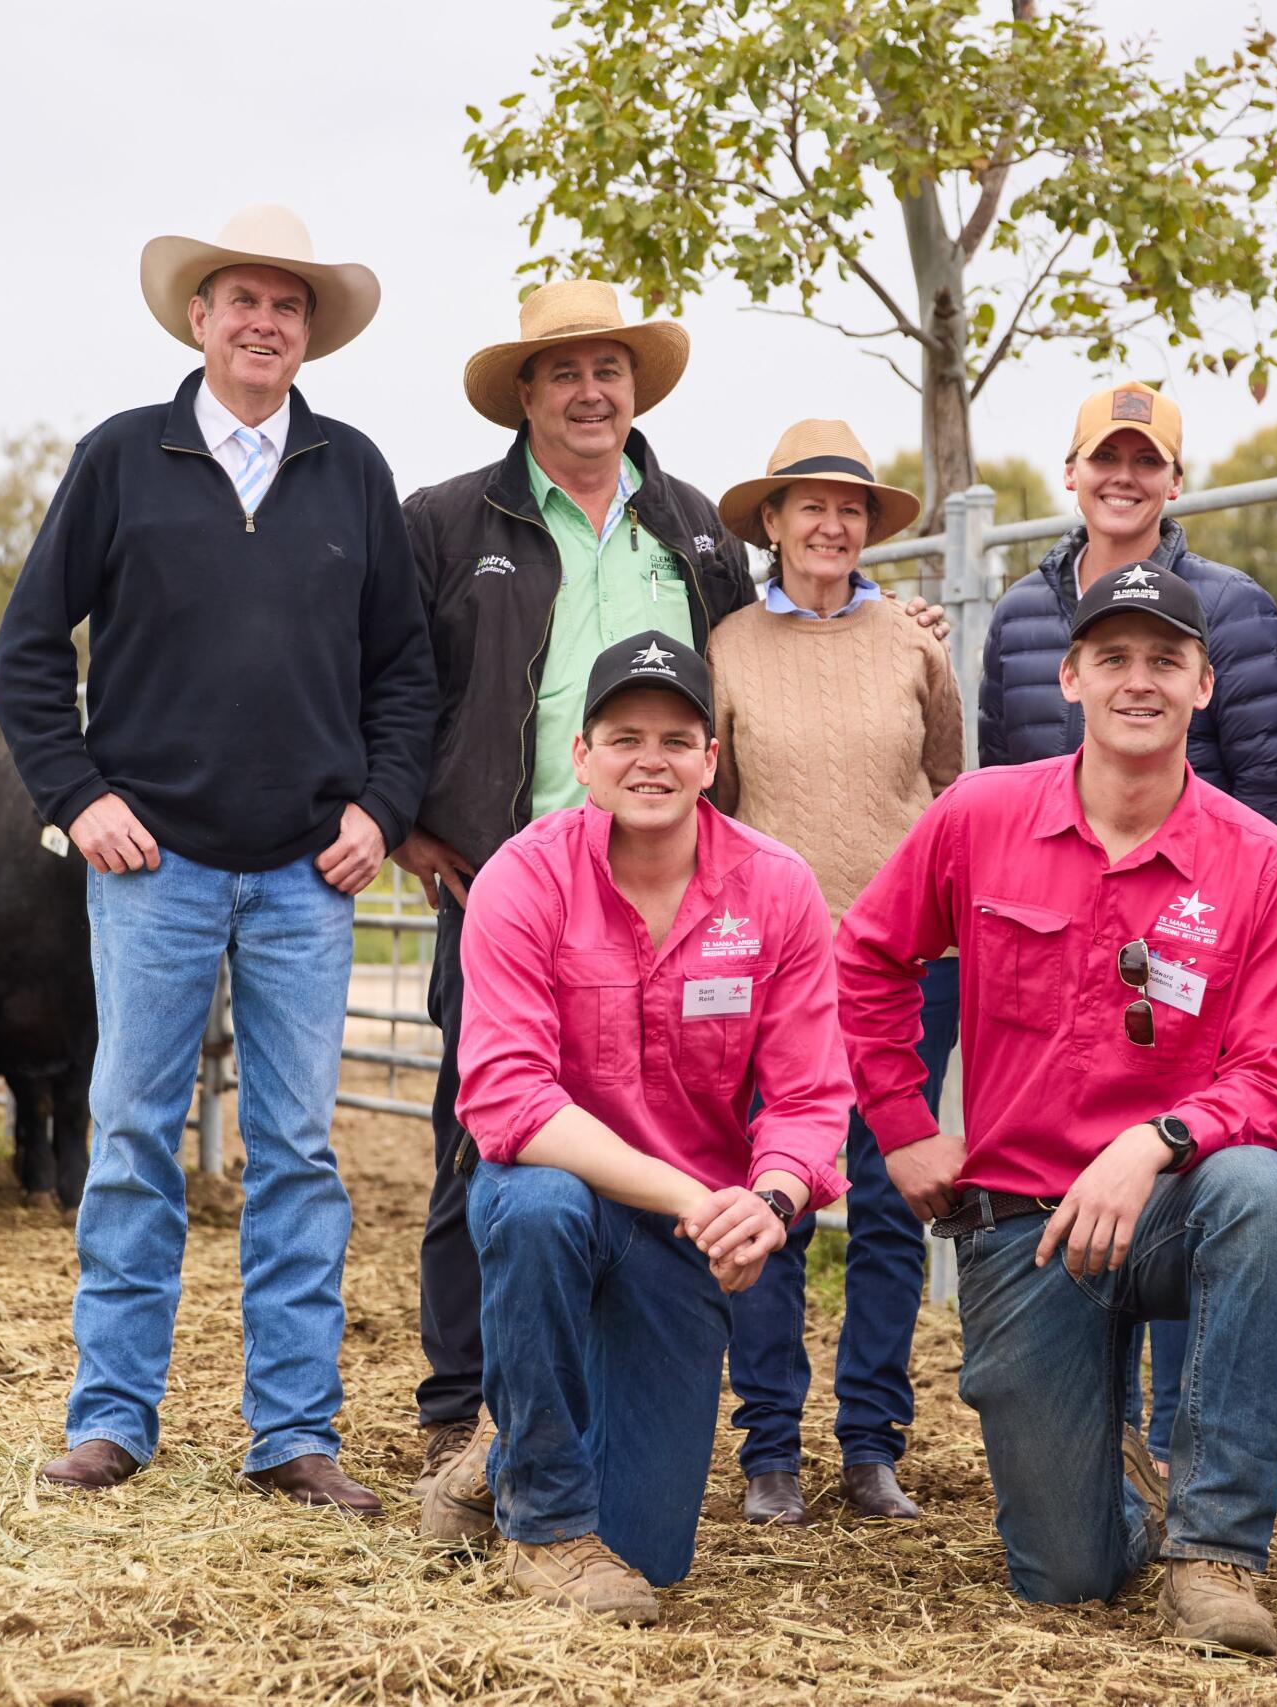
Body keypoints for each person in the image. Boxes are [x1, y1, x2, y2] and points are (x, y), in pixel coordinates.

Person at [395, 282, 943, 1499]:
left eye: (611, 370)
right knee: (485, 1150)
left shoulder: (691, 525)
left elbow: (756, 663)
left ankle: (645, 1385)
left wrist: (882, 622)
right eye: (564, 372)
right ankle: (469, 1413)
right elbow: (394, 674)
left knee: (674, 1132)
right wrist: (408, 820)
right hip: (507, 882)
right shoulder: (446, 520)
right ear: (526, 394)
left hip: (679, 893)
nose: (592, 392)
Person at [0, 204, 435, 1508]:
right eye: (241, 300)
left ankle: (293, 1433)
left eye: (287, 306)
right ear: (198, 317)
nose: (263, 322)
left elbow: (403, 672)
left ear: (311, 332)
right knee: (133, 1132)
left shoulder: (353, 471)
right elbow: (28, 650)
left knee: (298, 1148)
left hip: (309, 869)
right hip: (153, 867)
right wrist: (78, 794)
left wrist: (380, 806)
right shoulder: (124, 457)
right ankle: (112, 1418)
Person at [838, 565, 1277, 1655]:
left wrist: (1155, 1145)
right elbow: (867, 958)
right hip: (1022, 1220)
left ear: (1204, 684)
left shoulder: (1257, 863)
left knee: (1262, 1191)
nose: (1137, 682)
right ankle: (1111, 1475)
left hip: (1174, 1201)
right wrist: (906, 1124)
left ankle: (1213, 1556)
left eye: (1164, 661)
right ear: (1069, 678)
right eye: (1113, 659)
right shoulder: (979, 815)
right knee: (1064, 1578)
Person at [418, 632, 853, 1623]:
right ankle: (546, 1532)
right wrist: (698, 1196)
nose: (648, 759)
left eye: (675, 737)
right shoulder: (523, 880)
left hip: (685, 1235)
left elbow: (807, 1093)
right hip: (593, 1195)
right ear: (581, 756)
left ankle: (507, 1447)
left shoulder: (775, 888)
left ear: (710, 759)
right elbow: (509, 1099)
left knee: (651, 1554)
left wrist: (771, 1200)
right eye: (623, 737)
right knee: (534, 1204)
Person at [980, 378, 1277, 1473]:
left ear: (1174, 480)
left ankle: (1182, 1444)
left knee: (1201, 1171)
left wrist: (1214, 917)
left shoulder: (1231, 605)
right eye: (1103, 458)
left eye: (1146, 460)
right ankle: (1104, 1438)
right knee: (1077, 1167)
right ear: (1070, 473)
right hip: (1058, 924)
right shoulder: (1025, 612)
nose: (1123, 477)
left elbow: (1269, 778)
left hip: (1195, 934)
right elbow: (997, 772)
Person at [705, 421, 961, 1525]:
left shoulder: (914, 643)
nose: (829, 525)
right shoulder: (727, 646)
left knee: (895, 1203)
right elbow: (710, 810)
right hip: (773, 964)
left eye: (849, 509)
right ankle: (769, 1446)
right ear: (770, 523)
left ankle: (870, 1444)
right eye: (807, 506)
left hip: (904, 959)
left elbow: (949, 781)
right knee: (775, 1201)